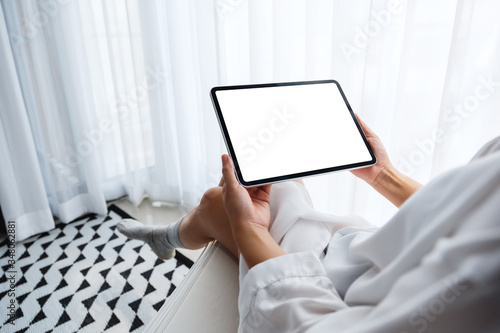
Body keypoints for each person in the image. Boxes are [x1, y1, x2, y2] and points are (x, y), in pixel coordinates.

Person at [118, 117, 500, 333]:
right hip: (369, 253)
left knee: (222, 200)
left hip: (337, 294)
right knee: (271, 178)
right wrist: (384, 175)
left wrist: (250, 229)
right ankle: (167, 237)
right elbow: (464, 212)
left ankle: (164, 238)